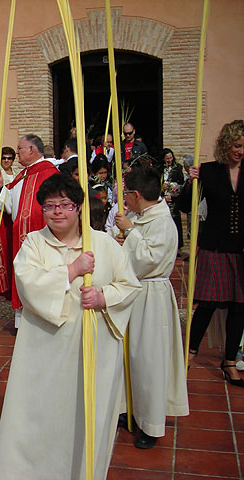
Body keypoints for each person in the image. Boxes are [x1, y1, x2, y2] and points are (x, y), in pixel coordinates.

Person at [0, 173, 141, 479]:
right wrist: (72, 269)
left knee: (85, 416)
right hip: (45, 349)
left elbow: (129, 287)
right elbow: (28, 285)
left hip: (92, 348)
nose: (57, 212)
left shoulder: (103, 245)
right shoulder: (34, 243)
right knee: (39, 417)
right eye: (49, 206)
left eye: (65, 204)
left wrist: (103, 296)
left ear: (79, 207)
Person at [112, 166, 189, 449]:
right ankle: (129, 408)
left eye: (126, 195)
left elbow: (148, 260)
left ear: (136, 194)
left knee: (149, 359)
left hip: (151, 295)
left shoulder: (162, 222)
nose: (125, 202)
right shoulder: (137, 217)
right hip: (133, 295)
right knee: (129, 356)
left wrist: (130, 233)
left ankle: (152, 423)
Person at [180, 119, 244, 386]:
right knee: (205, 303)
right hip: (213, 245)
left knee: (240, 306)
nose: (240, 151)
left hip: (241, 248)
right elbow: (186, 205)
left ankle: (229, 360)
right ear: (226, 144)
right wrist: (190, 182)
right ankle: (189, 354)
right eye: (237, 145)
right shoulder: (208, 171)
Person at [0, 134, 59, 328]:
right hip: (21, 238)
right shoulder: (24, 174)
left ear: (31, 150)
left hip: (43, 238)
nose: (17, 153)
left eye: (19, 149)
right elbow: (11, 205)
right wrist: (1, 188)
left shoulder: (49, 173)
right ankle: (23, 324)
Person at [0, 147, 16, 296]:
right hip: (1, 210)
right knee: (2, 246)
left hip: (12, 212)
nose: (6, 161)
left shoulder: (17, 174)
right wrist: (1, 186)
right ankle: (1, 283)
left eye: (9, 158)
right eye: (4, 158)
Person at [161, 148, 185, 251]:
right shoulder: (160, 169)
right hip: (163, 199)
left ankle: (177, 247)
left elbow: (182, 182)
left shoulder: (178, 168)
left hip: (174, 199)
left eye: (170, 158)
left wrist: (176, 188)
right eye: (167, 158)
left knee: (175, 222)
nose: (169, 160)